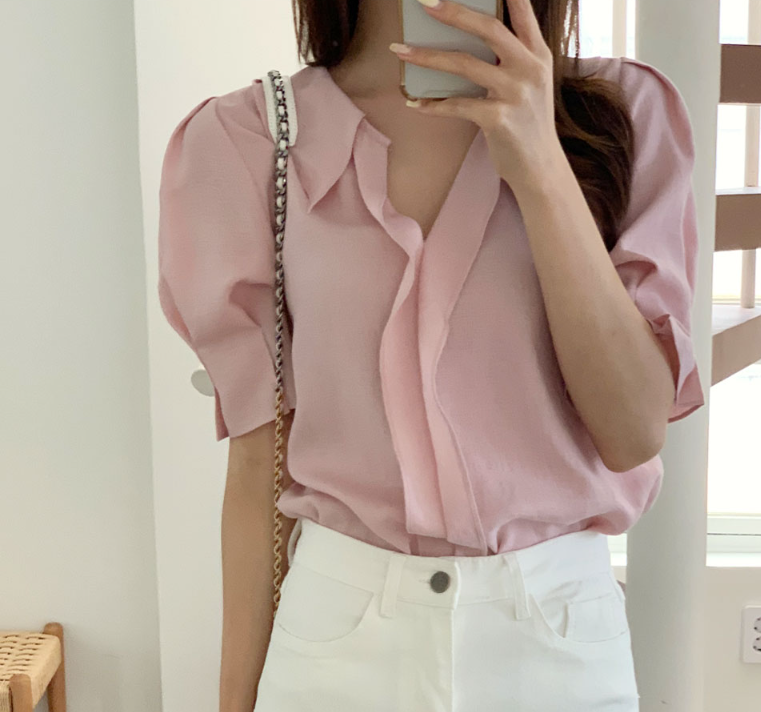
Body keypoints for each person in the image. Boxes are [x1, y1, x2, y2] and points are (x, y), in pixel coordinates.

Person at [157, 0, 706, 709]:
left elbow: (633, 431)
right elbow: (259, 463)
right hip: (334, 642)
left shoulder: (624, 112)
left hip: (557, 644)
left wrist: (540, 162)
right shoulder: (250, 139)